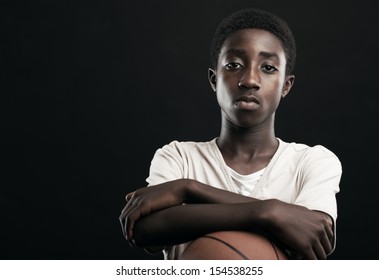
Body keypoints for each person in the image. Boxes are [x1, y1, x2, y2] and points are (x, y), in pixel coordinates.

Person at [119, 8, 342, 260]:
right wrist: (270, 213)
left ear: (286, 86)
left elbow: (312, 232)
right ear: (214, 79)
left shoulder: (313, 162)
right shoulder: (179, 156)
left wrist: (189, 190)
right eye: (234, 65)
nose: (249, 80)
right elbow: (145, 229)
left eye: (268, 68)